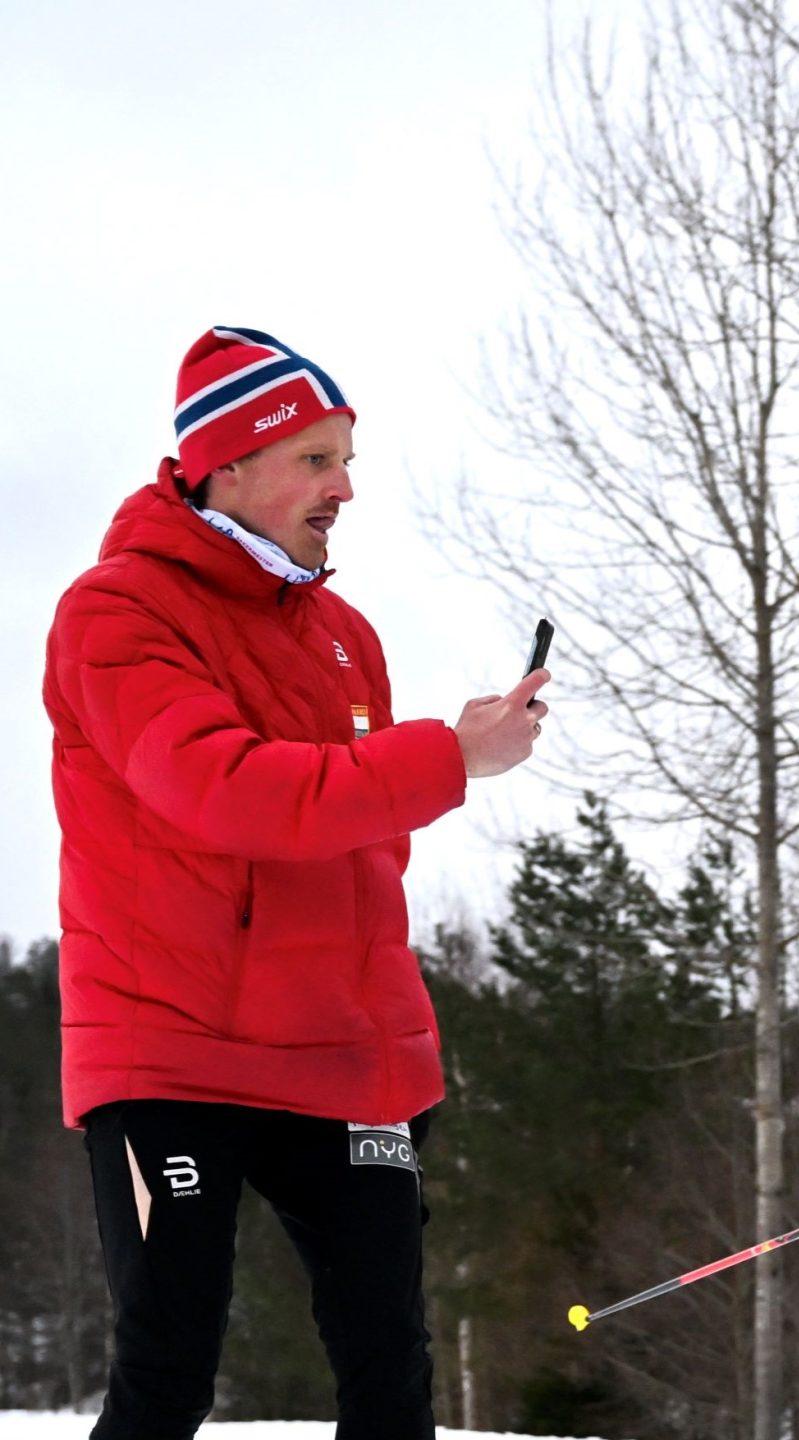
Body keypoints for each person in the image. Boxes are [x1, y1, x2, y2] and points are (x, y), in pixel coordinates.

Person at [44, 326, 551, 1439]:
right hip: (171, 1049)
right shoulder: (117, 611)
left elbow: (365, 845)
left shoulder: (345, 636)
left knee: (391, 1369)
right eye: (318, 459)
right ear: (229, 464)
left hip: (341, 1057)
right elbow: (227, 793)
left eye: (349, 457)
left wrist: (394, 1045)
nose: (347, 487)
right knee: (169, 1361)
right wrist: (448, 756)